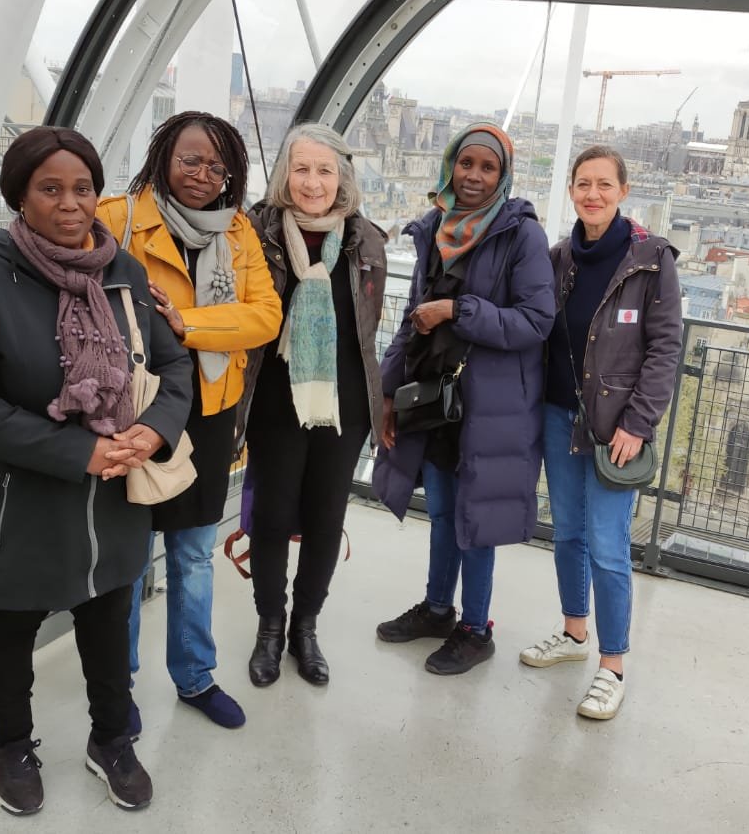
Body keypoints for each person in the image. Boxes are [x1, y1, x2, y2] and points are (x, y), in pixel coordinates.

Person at [0, 112, 281, 731]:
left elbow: (264, 315)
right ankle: (116, 683)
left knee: (192, 553)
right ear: (162, 159)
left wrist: (186, 326)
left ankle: (191, 677)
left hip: (191, 414)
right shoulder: (121, 221)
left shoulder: (235, 233)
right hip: (100, 432)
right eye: (189, 160)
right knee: (121, 567)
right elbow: (31, 244)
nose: (202, 174)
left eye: (215, 165)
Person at [0, 126, 193, 815]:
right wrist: (76, 450)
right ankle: (11, 744)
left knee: (108, 619)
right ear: (20, 194)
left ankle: (111, 738)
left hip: (113, 496)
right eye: (50, 188)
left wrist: (151, 429)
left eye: (82, 187)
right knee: (12, 626)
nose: (70, 203)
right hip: (23, 495)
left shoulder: (124, 273)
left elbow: (172, 366)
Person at [370, 123, 555, 675]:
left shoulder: (521, 234)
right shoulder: (435, 227)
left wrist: (458, 311)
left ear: (504, 175)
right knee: (446, 511)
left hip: (490, 407)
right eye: (465, 163)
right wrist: (386, 389)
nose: (473, 176)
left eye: (487, 167)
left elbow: (537, 321)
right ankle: (436, 609)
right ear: (450, 164)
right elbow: (413, 317)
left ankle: (476, 629)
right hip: (437, 397)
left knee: (477, 521)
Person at [520, 145, 683, 720]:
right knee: (567, 533)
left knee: (610, 547)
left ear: (623, 191)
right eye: (583, 184)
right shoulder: (560, 257)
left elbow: (666, 350)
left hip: (615, 429)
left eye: (604, 185)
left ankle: (612, 665)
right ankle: (573, 633)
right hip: (559, 417)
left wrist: (639, 424)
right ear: (570, 190)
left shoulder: (651, 260)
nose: (593, 194)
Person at [239, 123, 388, 687]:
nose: (312, 182)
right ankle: (270, 628)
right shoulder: (257, 231)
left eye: (325, 170)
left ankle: (306, 627)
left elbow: (367, 329)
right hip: (276, 397)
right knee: (273, 517)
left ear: (342, 178)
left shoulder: (363, 239)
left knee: (327, 518)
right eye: (301, 169)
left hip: (343, 400)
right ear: (283, 174)